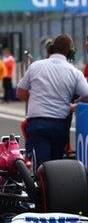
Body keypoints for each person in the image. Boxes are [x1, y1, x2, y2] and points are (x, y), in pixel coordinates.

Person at [16, 34, 88, 168]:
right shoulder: (74, 72)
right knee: (56, 169)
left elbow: (20, 92)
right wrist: (75, 105)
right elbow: (87, 95)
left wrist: (34, 100)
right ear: (71, 52)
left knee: (40, 168)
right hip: (59, 125)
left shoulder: (35, 66)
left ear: (51, 48)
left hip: (37, 123)